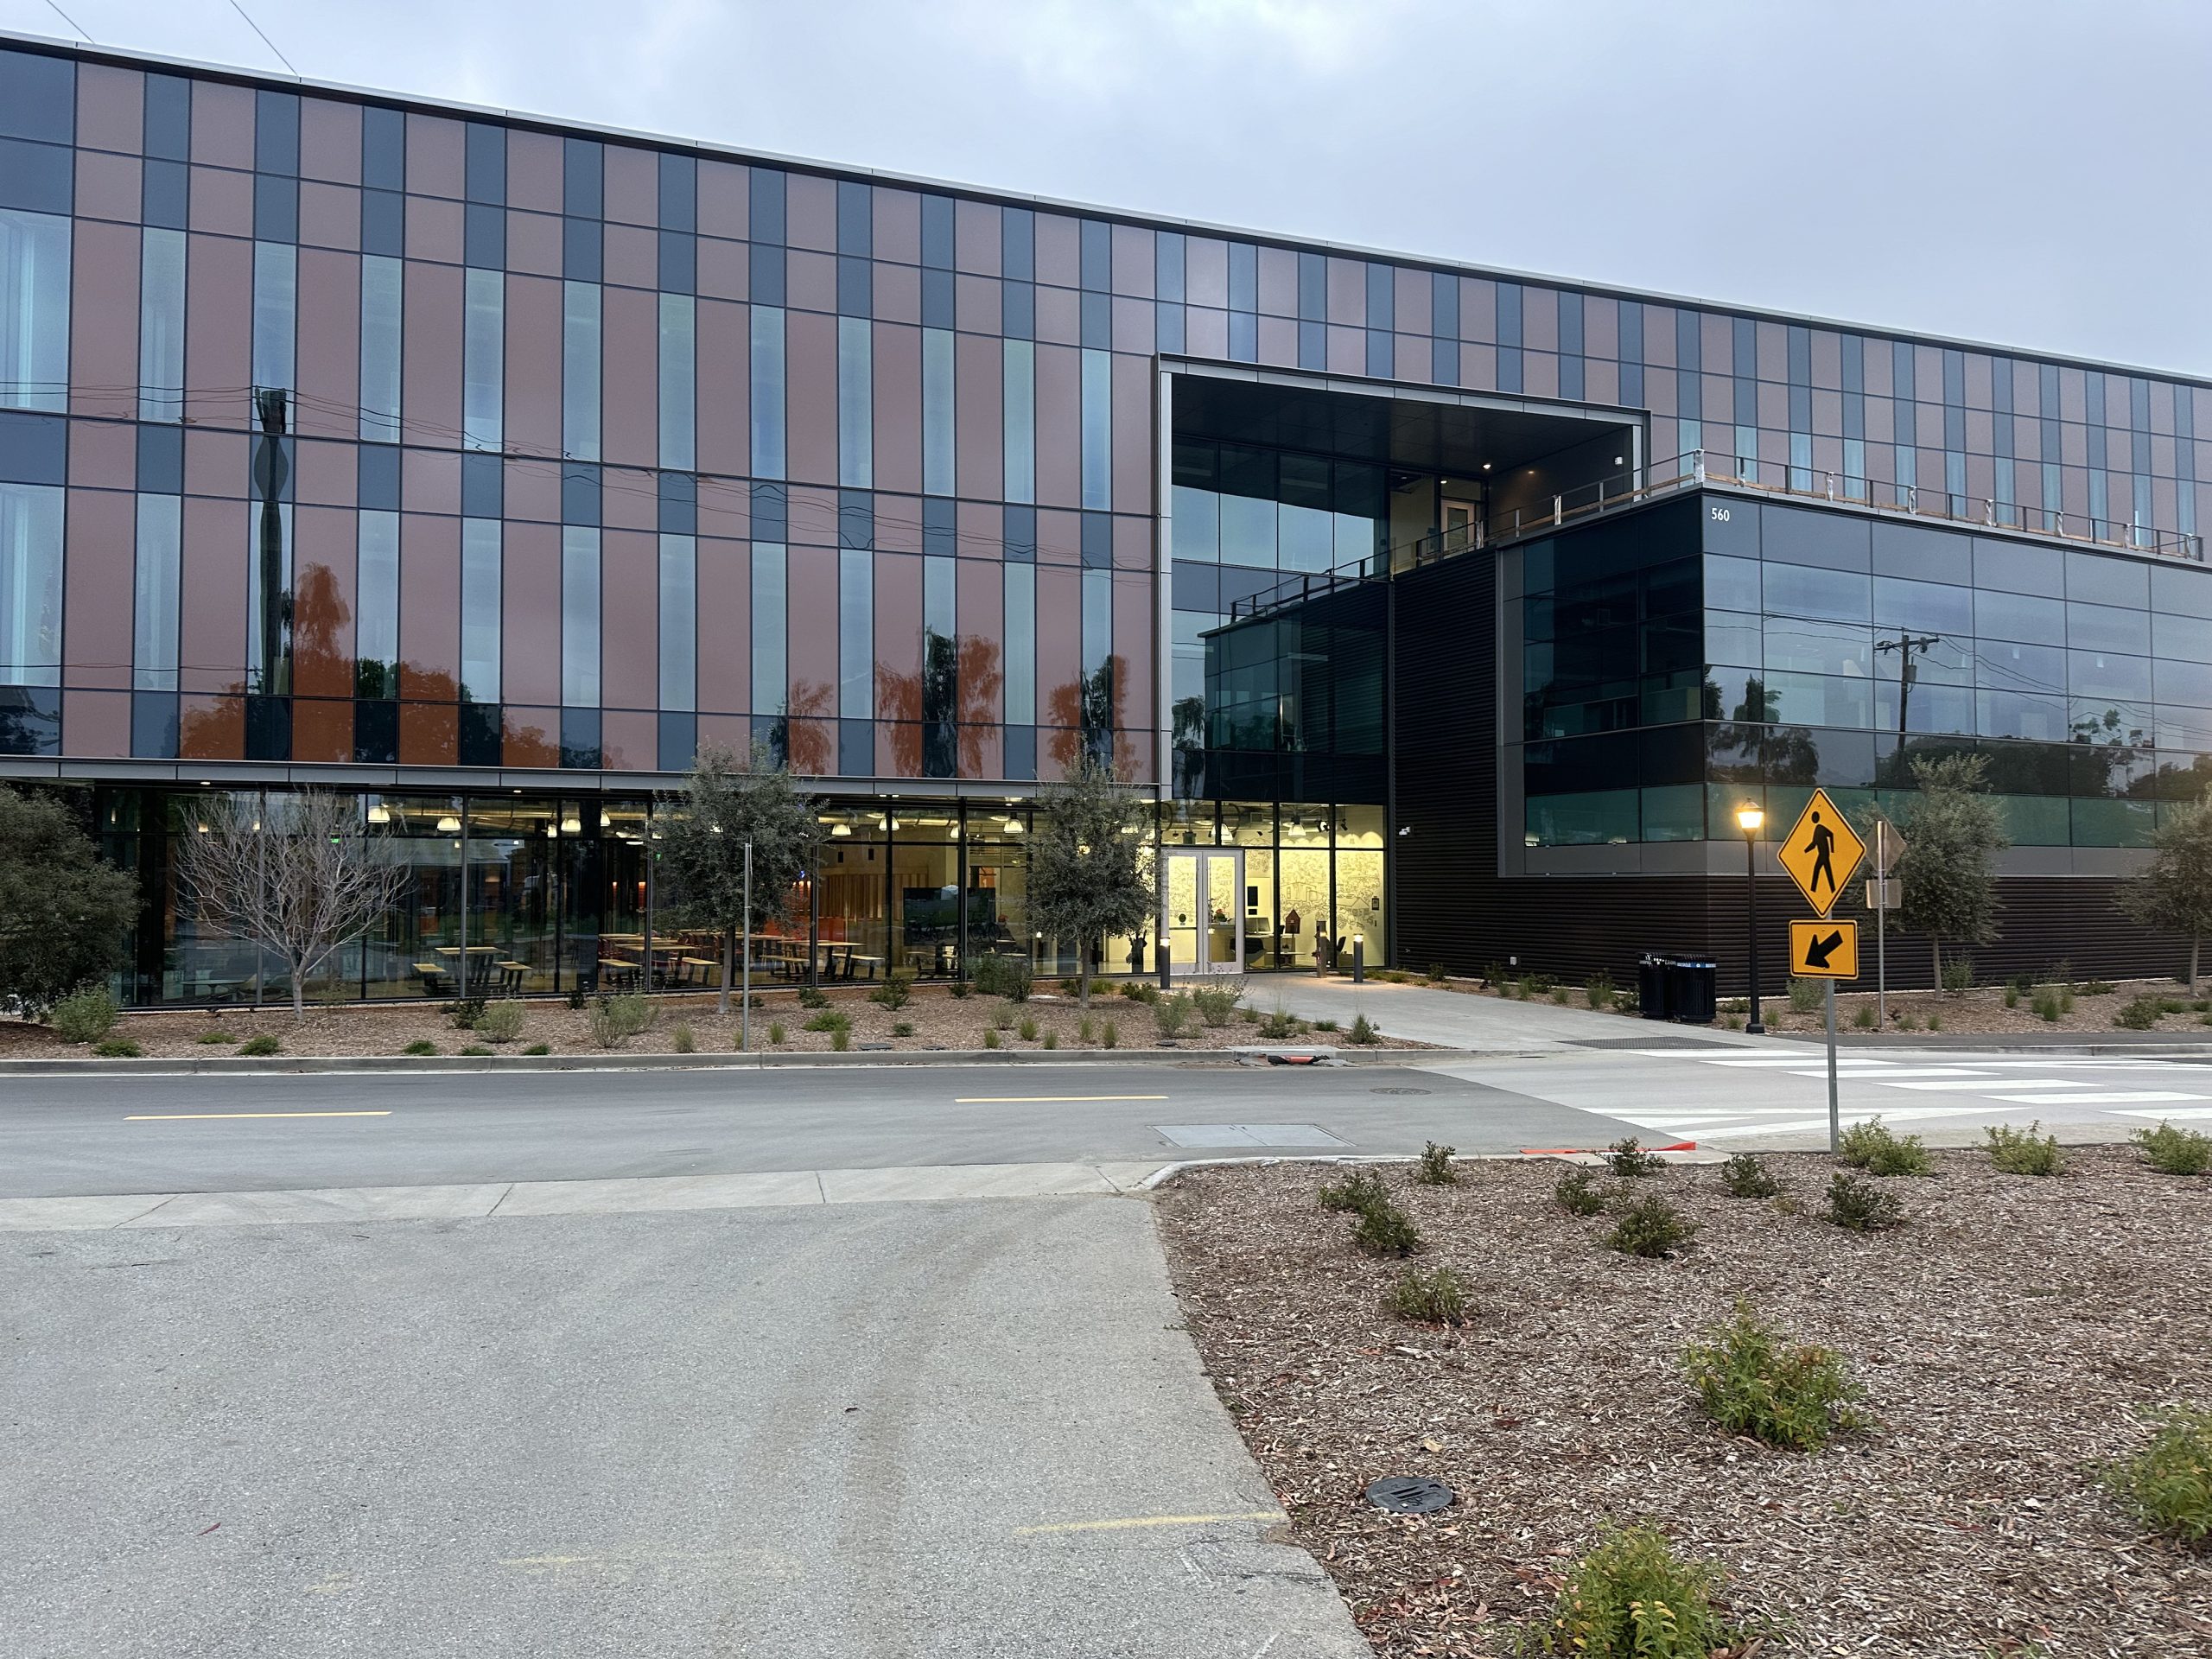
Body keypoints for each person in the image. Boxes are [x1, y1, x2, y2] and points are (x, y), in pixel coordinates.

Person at [1803, 810, 1837, 898]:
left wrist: (1833, 850)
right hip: (1822, 854)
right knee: (1827, 872)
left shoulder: (1820, 828)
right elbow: (1814, 844)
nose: (1813, 819)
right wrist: (1805, 851)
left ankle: (1814, 889)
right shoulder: (1817, 829)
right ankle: (1831, 889)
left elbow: (1831, 834)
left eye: (1814, 817)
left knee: (1817, 870)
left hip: (1824, 854)